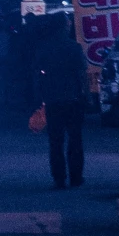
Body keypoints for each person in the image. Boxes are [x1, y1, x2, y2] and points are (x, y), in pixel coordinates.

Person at [32, 16, 90, 190]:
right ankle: (76, 176)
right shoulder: (74, 47)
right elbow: (82, 73)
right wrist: (86, 94)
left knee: (55, 140)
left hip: (52, 98)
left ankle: (59, 177)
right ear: (65, 26)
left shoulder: (44, 48)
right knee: (75, 138)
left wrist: (38, 95)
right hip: (72, 98)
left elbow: (36, 73)